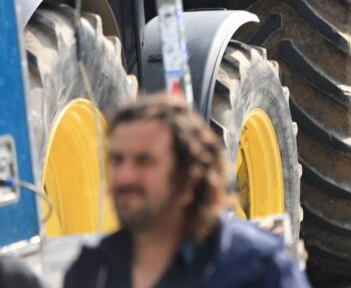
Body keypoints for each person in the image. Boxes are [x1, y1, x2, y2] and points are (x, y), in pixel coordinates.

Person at [64, 94, 310, 288]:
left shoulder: (258, 267)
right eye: (117, 160)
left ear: (188, 173)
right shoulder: (91, 270)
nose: (124, 176)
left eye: (144, 161)